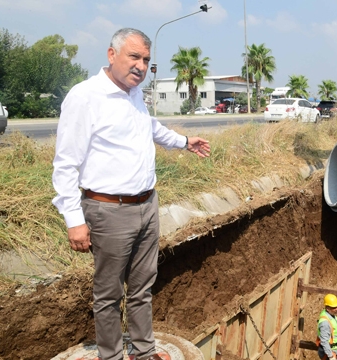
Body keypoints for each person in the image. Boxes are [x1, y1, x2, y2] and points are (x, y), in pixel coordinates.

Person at [51, 28, 210, 360]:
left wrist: (184, 141)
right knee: (108, 294)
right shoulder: (85, 97)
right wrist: (74, 221)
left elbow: (149, 127)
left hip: (146, 205)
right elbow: (65, 165)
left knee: (142, 288)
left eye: (147, 60)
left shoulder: (134, 94)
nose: (141, 65)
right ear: (112, 55)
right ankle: (110, 355)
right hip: (108, 211)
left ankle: (143, 352)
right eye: (134, 57)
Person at [317, 294, 337, 360]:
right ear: (327, 308)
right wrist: (330, 356)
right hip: (329, 351)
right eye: (334, 307)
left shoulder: (331, 314)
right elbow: (324, 341)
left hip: (333, 348)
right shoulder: (325, 323)